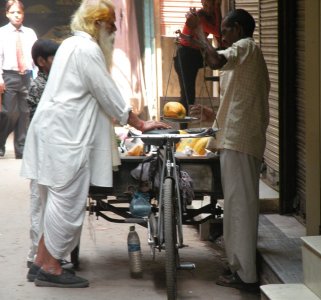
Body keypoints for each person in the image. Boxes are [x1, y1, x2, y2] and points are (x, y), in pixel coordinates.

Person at [21, 0, 169, 288]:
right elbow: (106, 91)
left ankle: (39, 262)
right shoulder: (87, 49)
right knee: (66, 204)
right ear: (98, 23)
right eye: (111, 24)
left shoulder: (69, 45)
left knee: (54, 202)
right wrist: (139, 123)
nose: (114, 30)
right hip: (65, 138)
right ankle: (51, 268)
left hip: (53, 133)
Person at [188, 9, 270, 292]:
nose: (221, 36)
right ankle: (238, 266)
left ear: (237, 29)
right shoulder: (245, 53)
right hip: (235, 138)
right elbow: (239, 99)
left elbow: (214, 60)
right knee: (235, 206)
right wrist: (212, 115)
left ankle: (245, 275)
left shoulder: (245, 47)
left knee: (241, 209)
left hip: (240, 141)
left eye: (224, 30)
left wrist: (198, 33)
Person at [25, 39, 61, 270]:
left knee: (46, 204)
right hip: (41, 152)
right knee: (40, 204)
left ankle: (42, 255)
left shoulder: (53, 82)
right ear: (41, 61)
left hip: (48, 151)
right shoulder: (40, 86)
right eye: (54, 58)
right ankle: (35, 258)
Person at [173, 0, 221, 129]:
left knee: (219, 56)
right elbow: (217, 31)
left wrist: (216, 9)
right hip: (185, 56)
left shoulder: (206, 16)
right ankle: (182, 130)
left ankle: (183, 128)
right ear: (202, 4)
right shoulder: (199, 18)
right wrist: (216, 8)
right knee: (188, 94)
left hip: (194, 54)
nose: (208, 8)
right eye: (206, 5)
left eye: (210, 5)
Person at [0, 0, 37, 159]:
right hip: (9, 76)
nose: (17, 15)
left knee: (24, 113)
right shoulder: (1, 33)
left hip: (27, 76)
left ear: (23, 14)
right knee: (9, 113)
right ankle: (0, 142)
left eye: (19, 12)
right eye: (13, 12)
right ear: (7, 13)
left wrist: (35, 77)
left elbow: (36, 58)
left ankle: (21, 149)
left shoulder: (30, 33)